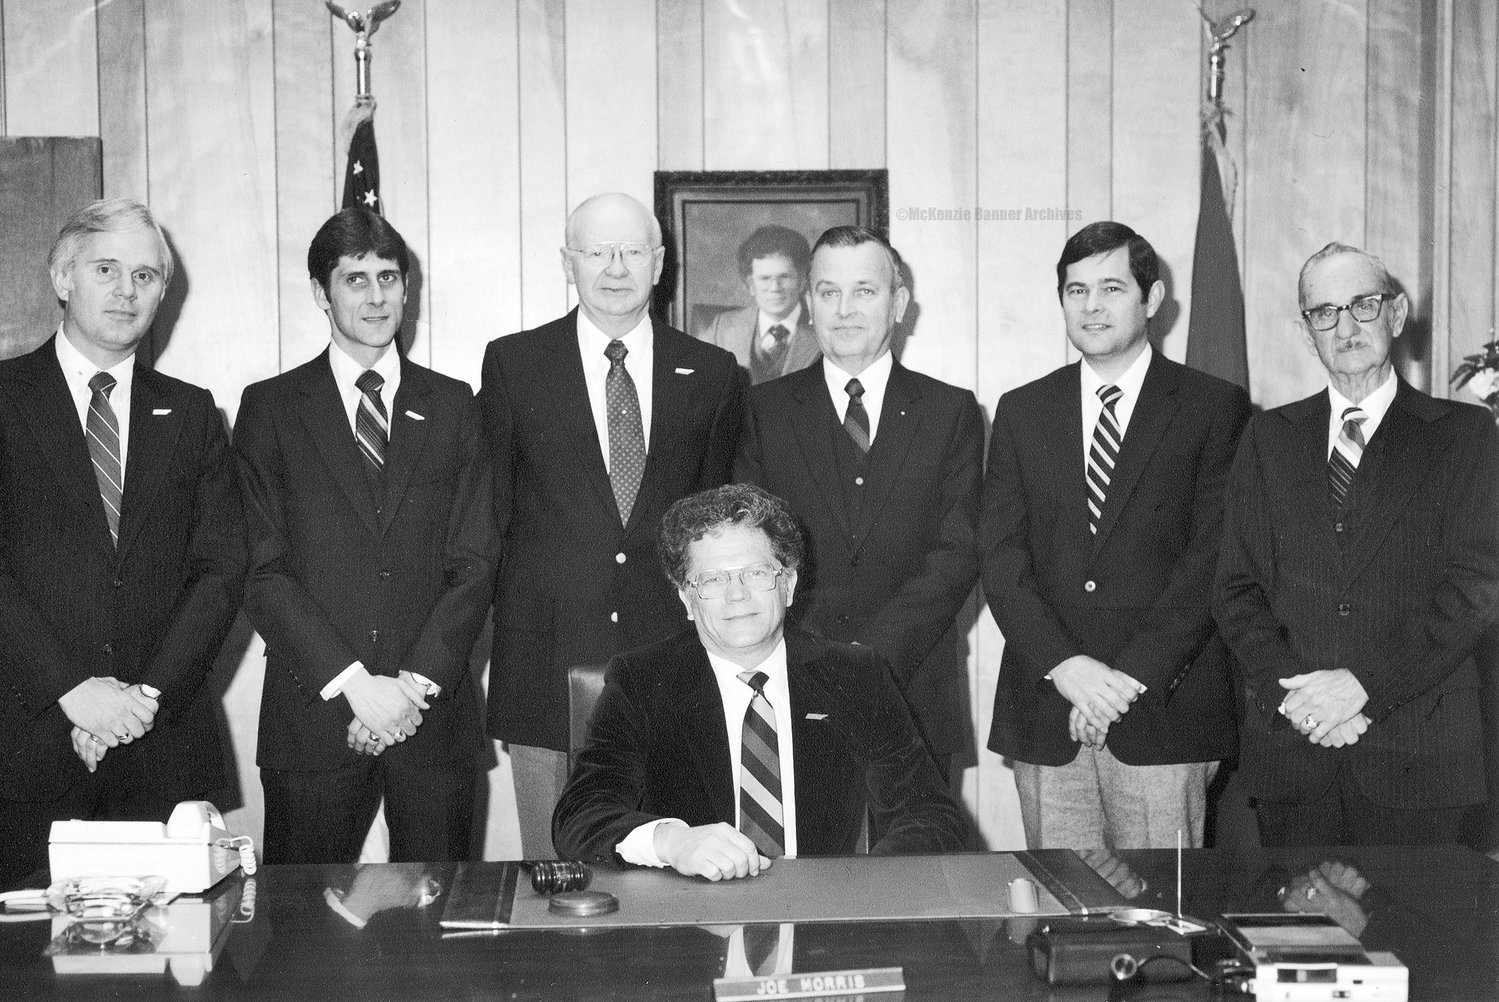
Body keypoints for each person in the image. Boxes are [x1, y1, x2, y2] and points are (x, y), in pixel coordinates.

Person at [479, 192, 743, 858]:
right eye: (596, 252)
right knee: (554, 877)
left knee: (673, 871)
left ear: (659, 262)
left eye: (630, 251)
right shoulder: (514, 365)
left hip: (672, 666)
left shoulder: (711, 374)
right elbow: (490, 517)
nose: (614, 268)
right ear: (567, 262)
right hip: (543, 660)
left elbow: (719, 527)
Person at [1214, 242, 1499, 846]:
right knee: (1299, 942)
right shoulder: (1268, 437)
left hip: (1420, 754)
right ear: (1306, 330)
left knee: (1417, 940)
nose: (1345, 327)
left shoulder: (1466, 437)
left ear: (1395, 315)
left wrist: (1364, 685)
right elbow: (1237, 591)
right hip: (1296, 755)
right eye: (1325, 312)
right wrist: (1304, 703)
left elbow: (1475, 590)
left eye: (1363, 306)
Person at [235, 208, 496, 864]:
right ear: (323, 293)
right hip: (315, 718)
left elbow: (476, 559)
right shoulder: (271, 408)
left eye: (389, 278)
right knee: (299, 941)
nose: (377, 297)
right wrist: (357, 684)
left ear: (408, 289)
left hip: (430, 716)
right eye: (356, 280)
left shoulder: (455, 404)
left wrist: (409, 686)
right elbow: (260, 568)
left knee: (442, 934)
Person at [0, 198, 246, 887]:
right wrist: (73, 692)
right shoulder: (5, 398)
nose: (126, 290)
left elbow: (221, 570)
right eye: (106, 269)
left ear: (164, 292)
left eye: (145, 276)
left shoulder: (193, 413)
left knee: (166, 973)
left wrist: (140, 700)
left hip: (159, 741)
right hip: (27, 741)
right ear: (62, 277)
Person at [982, 220, 1251, 849]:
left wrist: (1123, 682)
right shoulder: (1023, 409)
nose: (1092, 306)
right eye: (1076, 291)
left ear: (1153, 301)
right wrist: (1066, 666)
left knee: (1160, 920)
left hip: (1164, 710)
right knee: (1061, 912)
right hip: (1048, 707)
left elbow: (1213, 556)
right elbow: (1000, 558)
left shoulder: (1213, 407)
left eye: (1111, 288)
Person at [553, 483, 965, 877]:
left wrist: (856, 889)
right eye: (713, 579)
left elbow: (930, 815)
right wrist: (673, 843)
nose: (737, 595)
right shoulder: (642, 681)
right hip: (693, 923)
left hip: (822, 921)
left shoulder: (855, 676)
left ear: (787, 584)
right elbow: (580, 815)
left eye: (755, 573)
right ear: (686, 598)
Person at [735, 225, 983, 786]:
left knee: (916, 870)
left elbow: (959, 551)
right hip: (793, 686)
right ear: (809, 303)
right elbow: (753, 548)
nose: (844, 310)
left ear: (898, 304)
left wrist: (870, 658)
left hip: (916, 688)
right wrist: (819, 660)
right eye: (828, 292)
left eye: (864, 291)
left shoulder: (950, 411)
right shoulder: (762, 411)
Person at [699, 225, 820, 384]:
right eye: (765, 278)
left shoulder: (823, 331)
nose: (775, 288)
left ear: (802, 280)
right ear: (750, 284)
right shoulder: (722, 328)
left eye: (784, 277)